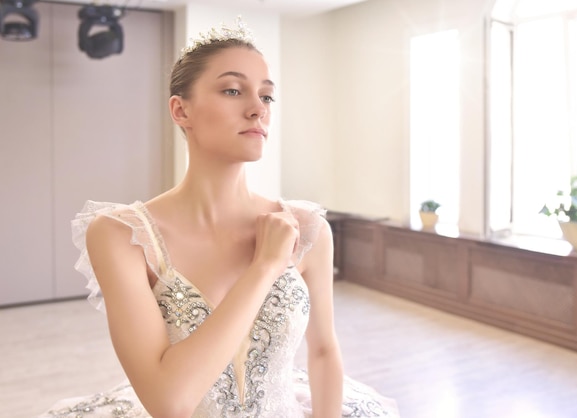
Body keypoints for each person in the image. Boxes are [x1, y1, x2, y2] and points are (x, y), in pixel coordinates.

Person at [41, 17, 400, 418]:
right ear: (181, 110)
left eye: (267, 97)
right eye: (233, 90)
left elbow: (323, 351)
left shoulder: (308, 229)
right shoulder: (120, 235)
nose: (256, 110)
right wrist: (264, 266)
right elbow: (169, 402)